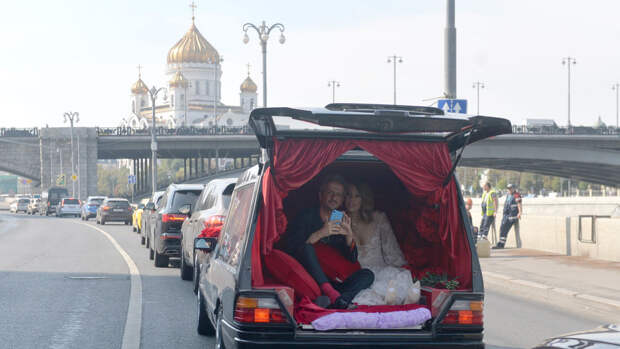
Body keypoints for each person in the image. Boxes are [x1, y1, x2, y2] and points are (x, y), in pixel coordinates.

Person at [285, 174, 374, 309]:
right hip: (313, 277)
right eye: (330, 193)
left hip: (334, 280)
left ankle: (339, 300)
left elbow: (352, 259)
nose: (334, 197)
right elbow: (292, 249)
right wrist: (320, 233)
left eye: (338, 194)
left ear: (342, 199)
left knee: (368, 274)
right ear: (321, 195)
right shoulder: (306, 216)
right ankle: (333, 296)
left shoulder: (338, 217)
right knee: (307, 247)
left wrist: (349, 236)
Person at [345, 181, 420, 306]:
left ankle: (396, 303)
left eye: (357, 196)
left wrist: (400, 269)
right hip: (355, 275)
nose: (351, 200)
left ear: (364, 198)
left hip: (380, 272)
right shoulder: (337, 217)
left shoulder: (378, 217)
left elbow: (392, 252)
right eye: (348, 195)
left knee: (397, 281)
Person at [494, 184, 522, 249]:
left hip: (512, 216)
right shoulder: (508, 195)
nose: (509, 190)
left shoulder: (516, 195)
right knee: (502, 229)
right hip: (506, 215)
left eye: (510, 188)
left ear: (513, 188)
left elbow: (519, 203)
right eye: (508, 188)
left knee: (505, 229)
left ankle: (501, 244)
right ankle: (500, 243)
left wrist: (520, 213)